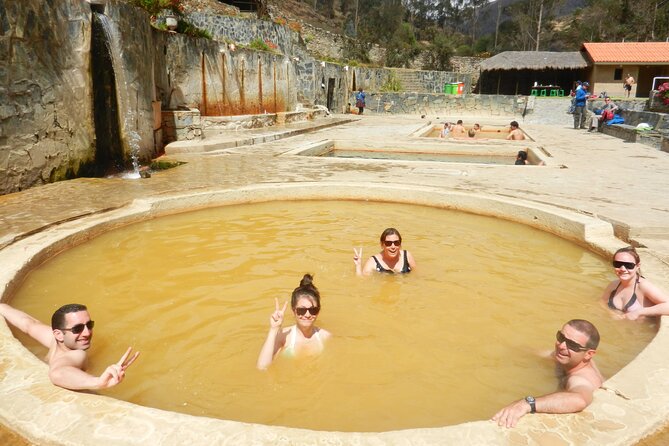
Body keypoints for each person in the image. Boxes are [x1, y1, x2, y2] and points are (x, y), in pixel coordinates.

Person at [0, 303, 139, 390]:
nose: (87, 332)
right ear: (59, 334)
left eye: (89, 325)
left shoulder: (55, 341)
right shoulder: (78, 354)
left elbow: (28, 323)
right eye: (77, 329)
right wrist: (97, 382)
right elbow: (58, 373)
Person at [492, 319, 603, 428]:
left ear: (589, 354)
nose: (562, 346)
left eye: (572, 345)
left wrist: (527, 403)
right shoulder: (569, 358)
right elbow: (535, 352)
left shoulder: (580, 379)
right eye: (561, 337)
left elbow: (579, 400)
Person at [257, 274, 331, 370]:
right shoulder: (284, 337)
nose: (307, 314)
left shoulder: (325, 336)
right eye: (302, 310)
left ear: (318, 311)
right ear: (293, 310)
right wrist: (273, 329)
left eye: (313, 310)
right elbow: (262, 368)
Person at [601, 246, 669, 320]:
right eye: (618, 264)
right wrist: (611, 312)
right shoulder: (613, 285)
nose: (622, 269)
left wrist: (639, 312)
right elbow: (601, 302)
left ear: (637, 266)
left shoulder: (643, 286)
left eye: (629, 265)